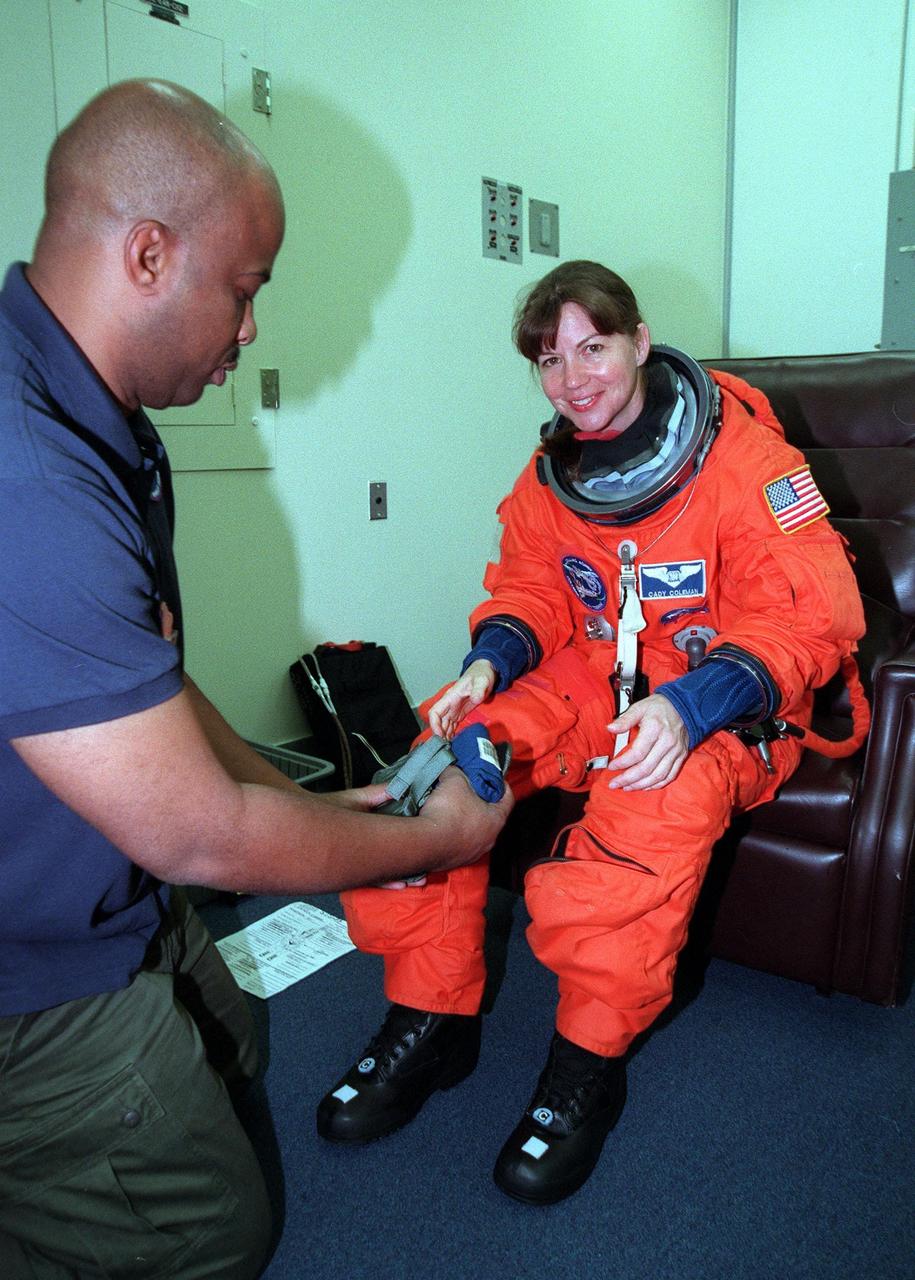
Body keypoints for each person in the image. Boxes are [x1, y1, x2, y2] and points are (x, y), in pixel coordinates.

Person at [0, 80, 511, 1278]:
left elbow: (148, 691)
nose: (251, 328)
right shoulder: (31, 483)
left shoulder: (102, 416)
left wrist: (327, 807)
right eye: (246, 289)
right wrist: (438, 839)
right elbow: (207, 839)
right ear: (146, 254)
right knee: (212, 1234)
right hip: (28, 970)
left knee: (236, 1035)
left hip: (106, 883)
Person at [316, 260, 866, 1205]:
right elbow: (531, 589)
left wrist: (690, 703)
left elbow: (810, 618)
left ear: (639, 343)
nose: (574, 378)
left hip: (730, 700)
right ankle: (428, 1014)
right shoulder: (550, 477)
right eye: (549, 359)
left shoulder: (750, 465)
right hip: (592, 680)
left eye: (593, 347)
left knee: (643, 804)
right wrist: (488, 660)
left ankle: (584, 1065)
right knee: (441, 760)